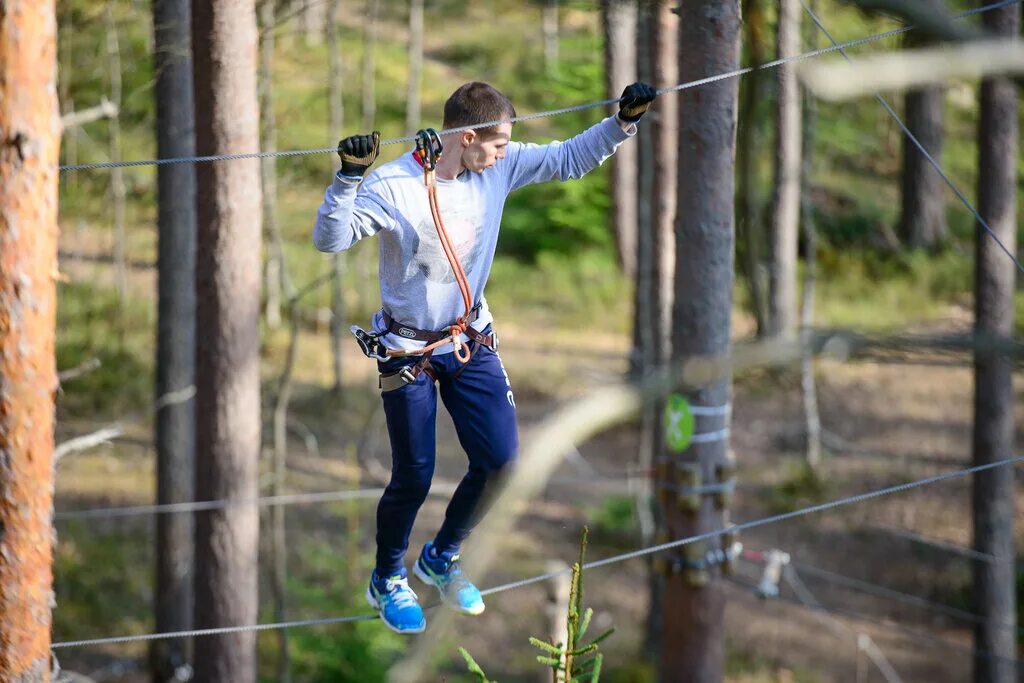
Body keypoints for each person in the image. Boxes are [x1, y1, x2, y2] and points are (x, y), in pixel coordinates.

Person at [313, 81, 657, 634]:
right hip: (410, 353)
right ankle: (388, 578)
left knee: (501, 463)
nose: (504, 154)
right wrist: (349, 179)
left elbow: (567, 159)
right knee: (415, 474)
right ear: (466, 136)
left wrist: (622, 123)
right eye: (497, 144)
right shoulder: (396, 184)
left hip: (469, 339)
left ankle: (442, 556)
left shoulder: (496, 166)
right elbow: (332, 239)